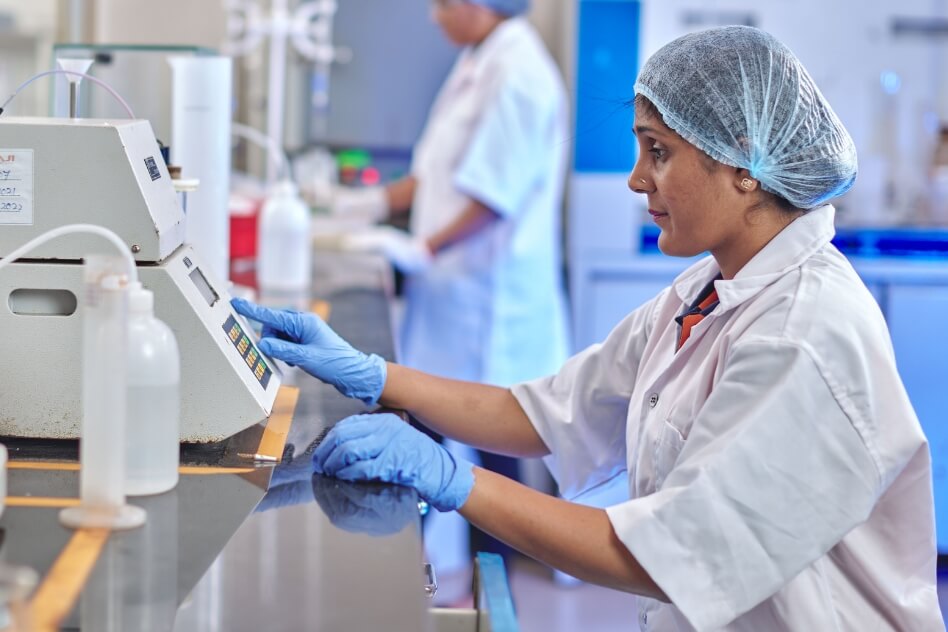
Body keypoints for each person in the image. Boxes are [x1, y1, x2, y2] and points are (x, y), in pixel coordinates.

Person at [235, 25, 943, 631]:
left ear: (745, 164)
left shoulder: (802, 336)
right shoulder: (707, 291)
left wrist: (452, 480)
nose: (637, 179)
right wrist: (377, 374)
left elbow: (663, 555)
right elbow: (542, 412)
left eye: (658, 150)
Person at [332, 0, 571, 565]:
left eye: (442, 3)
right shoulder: (476, 62)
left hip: (491, 303)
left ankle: (490, 590)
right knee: (440, 431)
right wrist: (366, 204)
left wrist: (425, 247)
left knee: (492, 451)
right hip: (455, 294)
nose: (434, 16)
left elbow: (493, 196)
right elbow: (435, 172)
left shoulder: (519, 75)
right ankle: (434, 574)